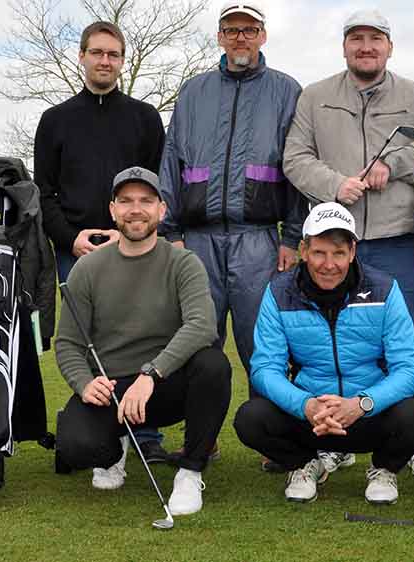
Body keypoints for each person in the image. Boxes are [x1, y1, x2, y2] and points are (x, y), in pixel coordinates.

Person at [282, 9, 414, 478]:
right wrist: (334, 184)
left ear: (389, 46)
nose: (365, 47)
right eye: (356, 39)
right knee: (330, 343)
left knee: (410, 341)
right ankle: (333, 438)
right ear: (345, 47)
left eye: (375, 39)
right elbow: (294, 157)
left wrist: (394, 165)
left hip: (397, 238)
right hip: (332, 243)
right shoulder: (314, 97)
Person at [157, 2, 306, 470]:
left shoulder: (286, 91)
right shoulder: (194, 91)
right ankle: (202, 439)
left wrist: (293, 235)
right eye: (231, 30)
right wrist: (171, 230)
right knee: (197, 342)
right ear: (219, 37)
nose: (240, 38)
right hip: (197, 240)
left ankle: (274, 441)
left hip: (258, 240)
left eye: (249, 30)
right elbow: (172, 161)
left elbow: (298, 167)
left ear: (263, 36)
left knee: (262, 344)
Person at [54, 167, 231, 516]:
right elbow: (68, 343)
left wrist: (150, 374)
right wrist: (84, 383)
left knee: (213, 365)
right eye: (126, 201)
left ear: (161, 210)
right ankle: (113, 448)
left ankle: (190, 472)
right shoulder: (88, 269)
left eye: (146, 201)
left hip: (165, 384)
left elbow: (202, 326)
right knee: (75, 448)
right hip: (113, 388)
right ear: (113, 210)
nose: (136, 209)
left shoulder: (184, 262)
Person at [234, 202, 414, 505]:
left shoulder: (384, 289)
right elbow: (264, 368)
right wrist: (306, 405)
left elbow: (411, 369)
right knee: (251, 418)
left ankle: (384, 468)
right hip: (313, 416)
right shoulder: (278, 292)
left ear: (353, 252)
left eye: (339, 253)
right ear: (304, 250)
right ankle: (304, 464)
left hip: (366, 413)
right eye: (319, 252)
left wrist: (362, 403)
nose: (329, 264)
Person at [34, 20, 169, 460]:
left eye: (113, 54)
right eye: (97, 53)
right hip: (76, 252)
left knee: (143, 331)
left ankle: (145, 434)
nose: (105, 61)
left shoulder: (145, 119)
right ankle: (103, 430)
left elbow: (153, 188)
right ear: (82, 57)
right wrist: (71, 239)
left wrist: (125, 233)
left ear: (122, 61)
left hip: (134, 244)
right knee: (88, 340)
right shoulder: (55, 121)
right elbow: (44, 192)